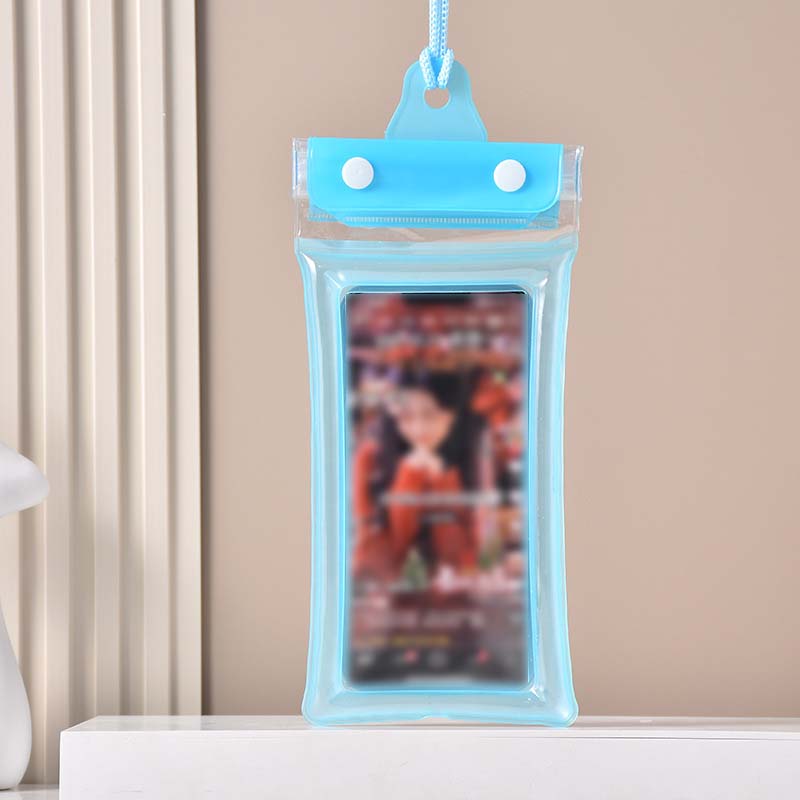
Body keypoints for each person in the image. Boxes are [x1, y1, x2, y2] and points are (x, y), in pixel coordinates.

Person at [352, 370, 479, 581]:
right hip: (391, 591)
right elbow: (376, 558)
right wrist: (409, 475)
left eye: (430, 415)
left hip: (454, 592)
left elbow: (458, 560)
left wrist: (440, 480)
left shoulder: (472, 458)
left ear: (452, 415)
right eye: (406, 417)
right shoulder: (371, 460)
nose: (418, 429)